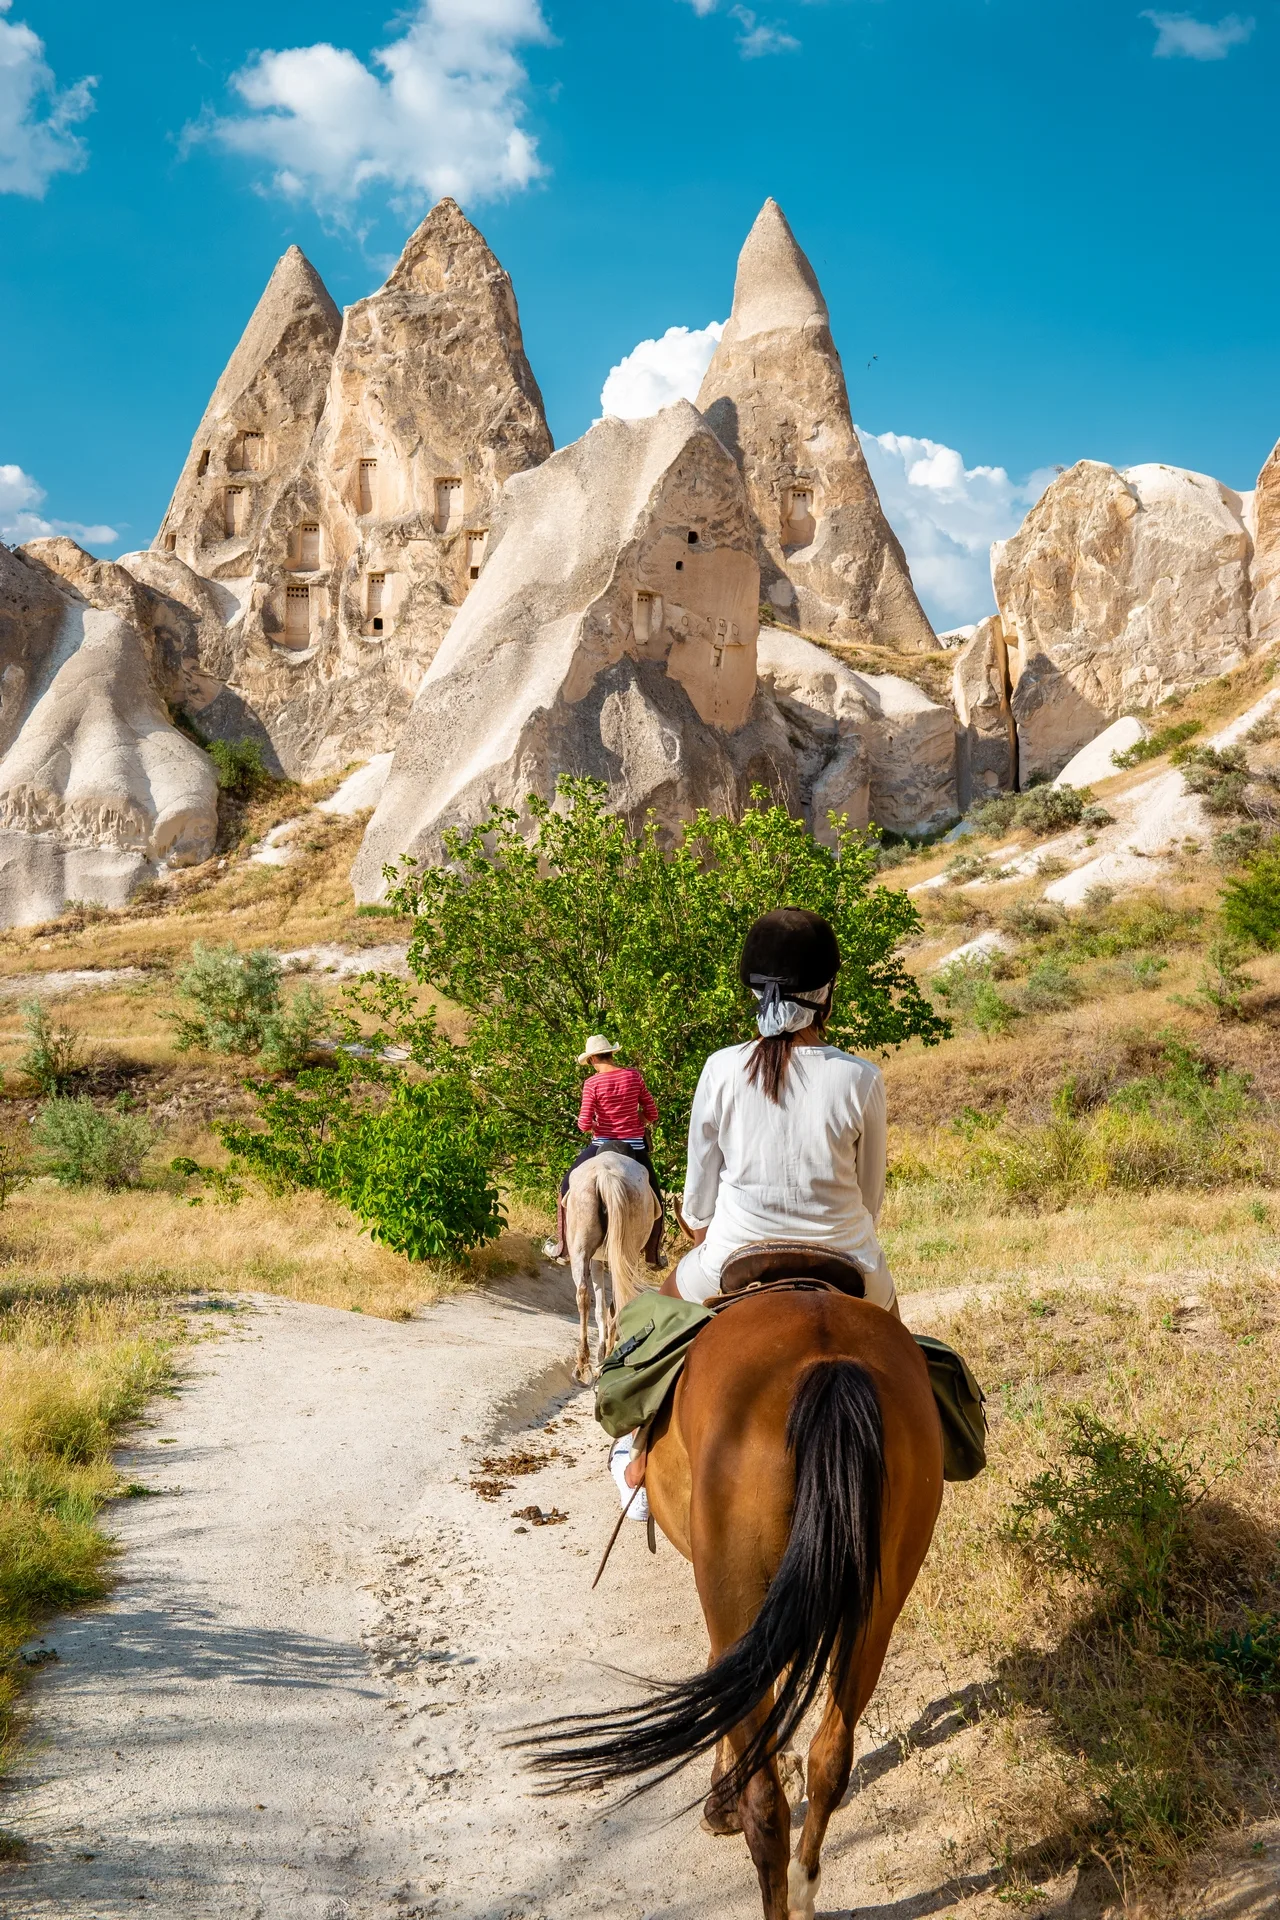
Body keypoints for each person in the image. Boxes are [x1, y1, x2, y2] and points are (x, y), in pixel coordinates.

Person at [616, 906, 898, 1504]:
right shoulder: (861, 1078)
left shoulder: (721, 1068)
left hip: (734, 1255)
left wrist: (701, 1231)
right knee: (905, 1356)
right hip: (850, 1261)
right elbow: (869, 1200)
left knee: (652, 1321)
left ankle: (637, 1453)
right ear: (827, 994)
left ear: (752, 992)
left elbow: (697, 1196)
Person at [549, 1036, 664, 1267]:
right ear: (611, 1053)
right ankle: (653, 1254)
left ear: (592, 1058)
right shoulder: (633, 1076)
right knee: (655, 1194)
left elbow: (583, 1123)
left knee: (565, 1186)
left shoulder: (592, 1084)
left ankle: (562, 1247)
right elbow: (652, 1112)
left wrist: (593, 1125)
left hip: (600, 1145)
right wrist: (638, 1119)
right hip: (634, 1146)